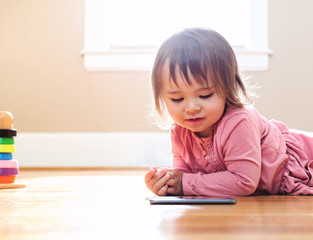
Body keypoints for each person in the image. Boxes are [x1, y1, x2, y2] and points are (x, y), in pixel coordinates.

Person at [144, 28, 313, 197]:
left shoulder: (239, 121)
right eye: (177, 99)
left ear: (227, 88)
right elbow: (184, 177)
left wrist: (184, 183)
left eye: (205, 95)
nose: (191, 108)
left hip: (306, 159)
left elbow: (243, 181)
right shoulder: (180, 128)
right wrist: (167, 183)